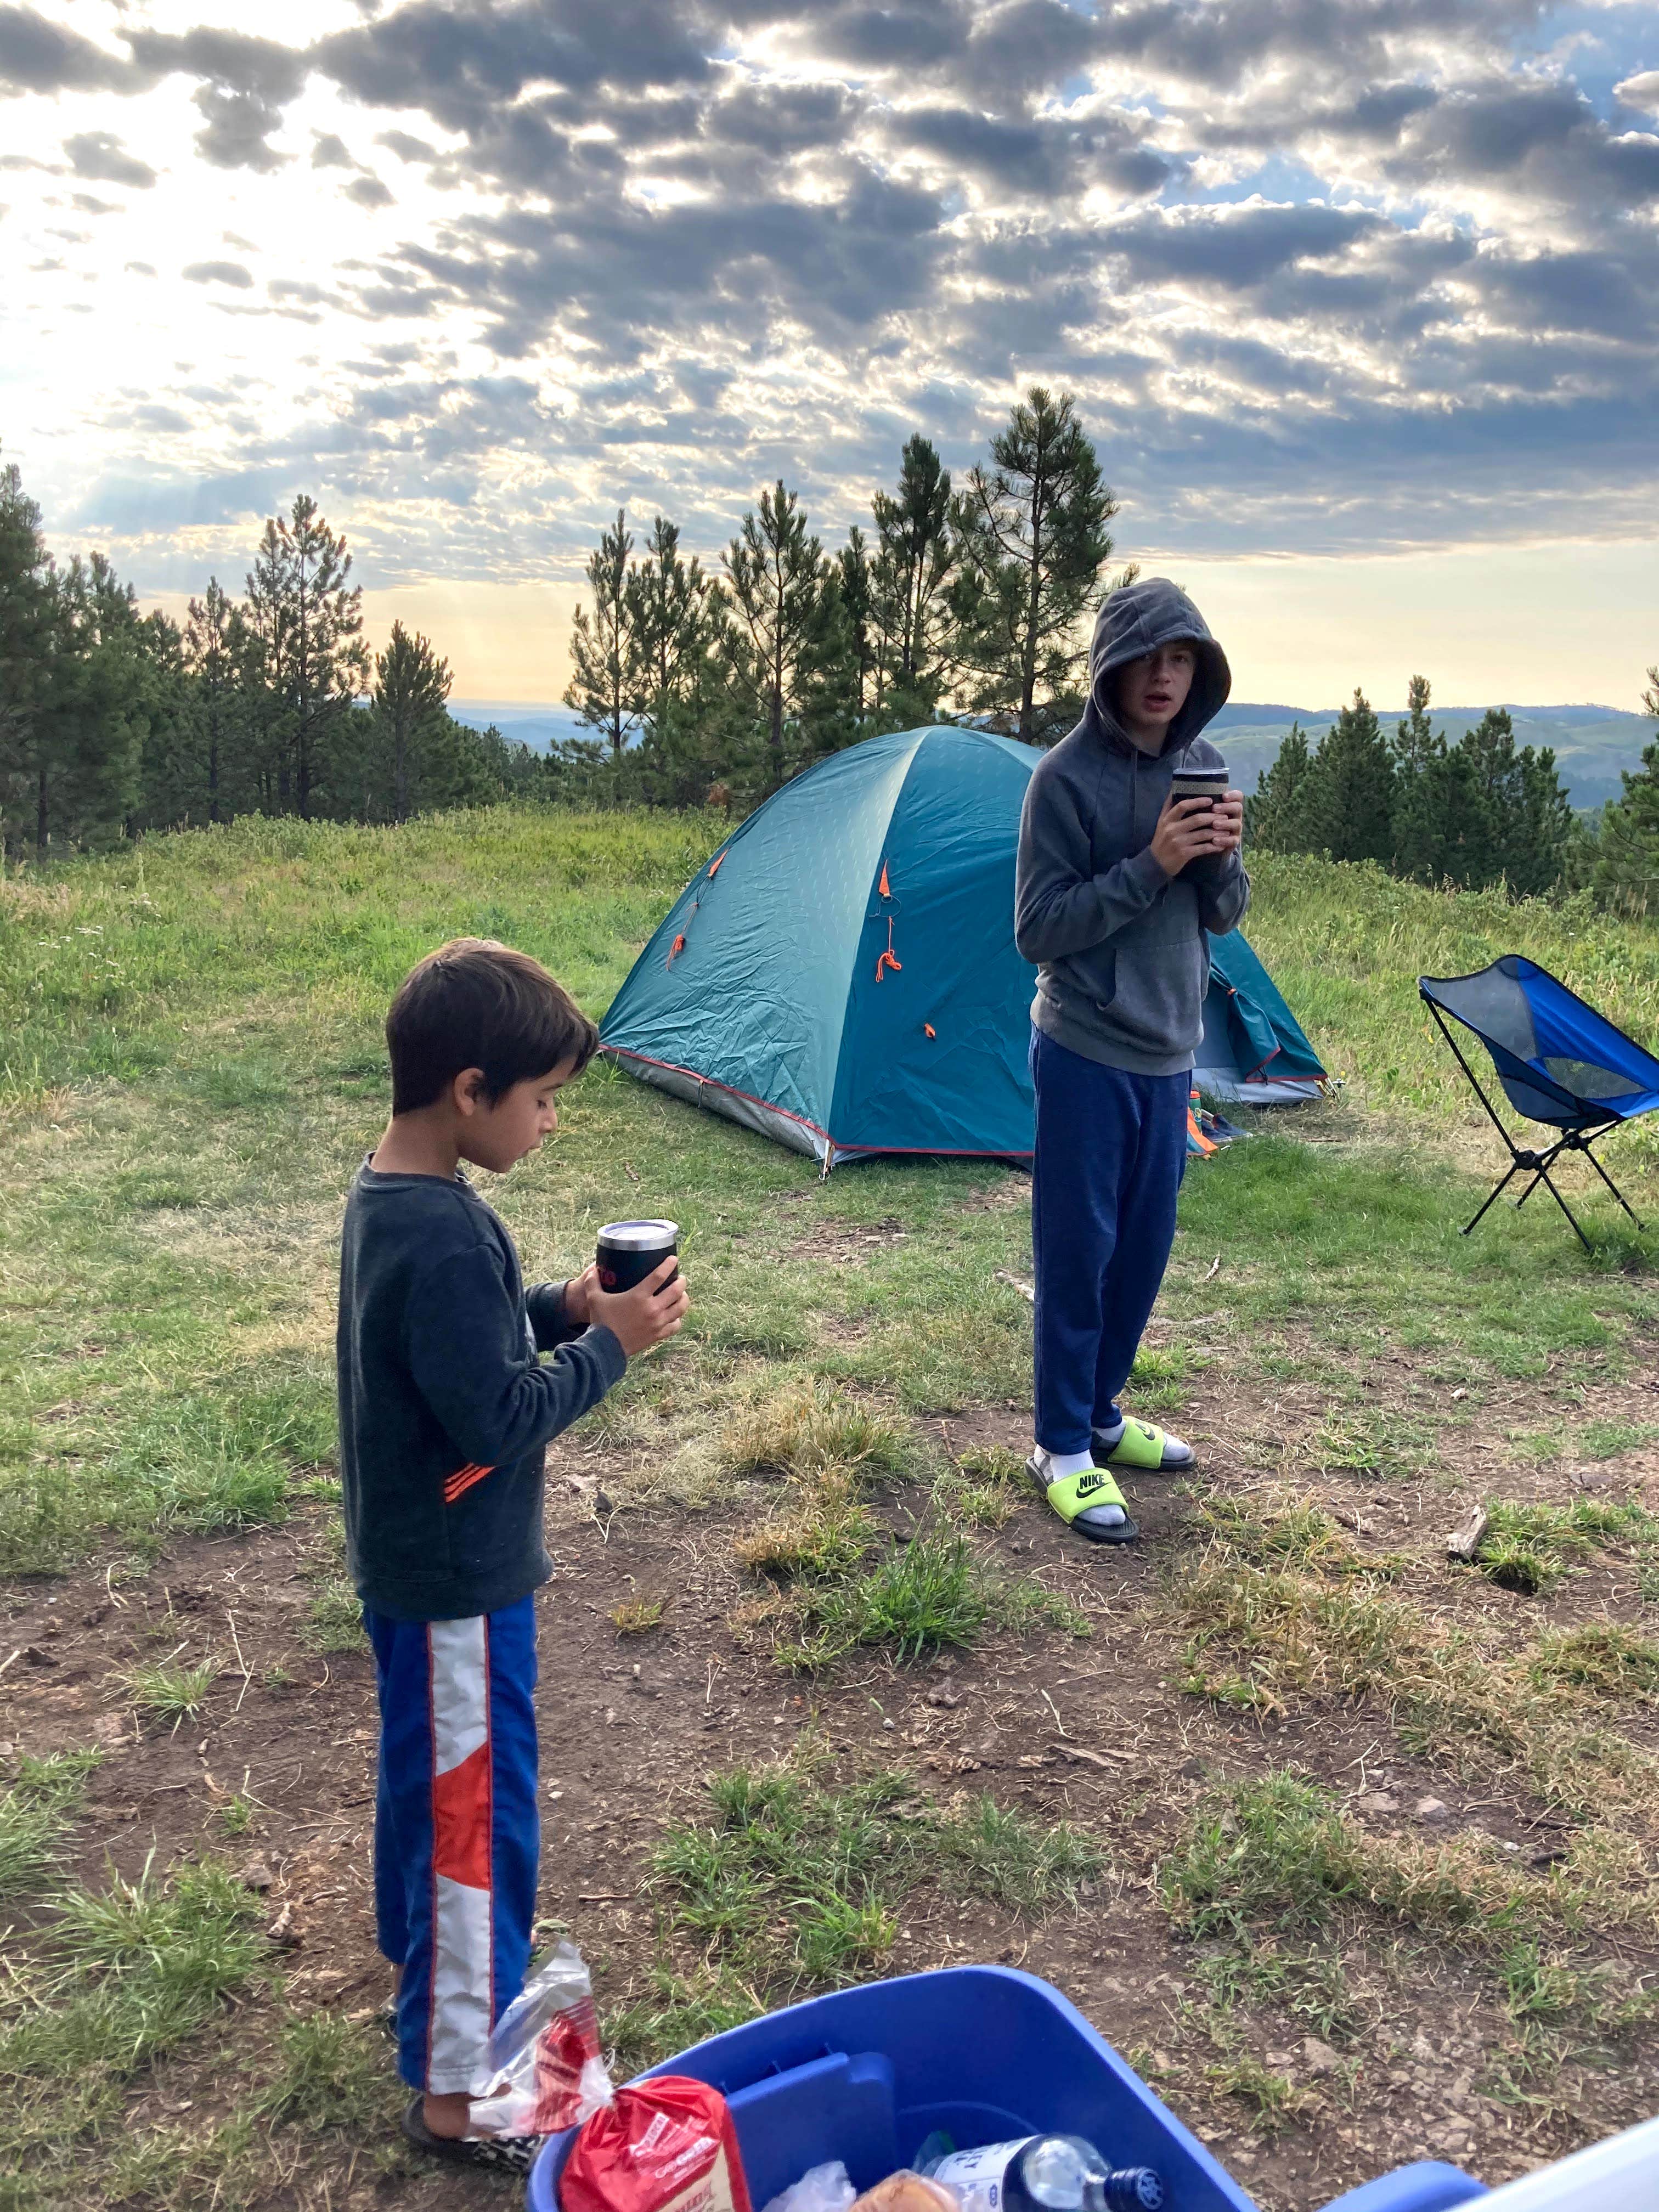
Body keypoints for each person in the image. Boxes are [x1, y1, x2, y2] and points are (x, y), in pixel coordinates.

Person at [337, 937, 687, 2169]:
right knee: (476, 1827)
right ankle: (453, 2089)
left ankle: (430, 1968)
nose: (549, 1126)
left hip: (424, 1572)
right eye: (541, 1103)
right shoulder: (440, 1235)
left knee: (437, 1800)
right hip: (456, 1589)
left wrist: (562, 1308)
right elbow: (495, 1415)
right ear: (470, 1091)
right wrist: (613, 1353)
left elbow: (459, 1355)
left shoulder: (402, 1198)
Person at [1014, 579, 1247, 1543]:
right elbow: (1038, 928)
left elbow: (1224, 915)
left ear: (1199, 670)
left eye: (1181, 658)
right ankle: (1059, 1444)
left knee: (1143, 1254)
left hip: (1171, 1054)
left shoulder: (1207, 764)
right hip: (1086, 1049)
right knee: (1081, 1252)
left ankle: (1102, 1415)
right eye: (1148, 658)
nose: (1163, 676)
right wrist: (1151, 861)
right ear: (1112, 666)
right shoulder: (1062, 781)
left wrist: (1220, 860)